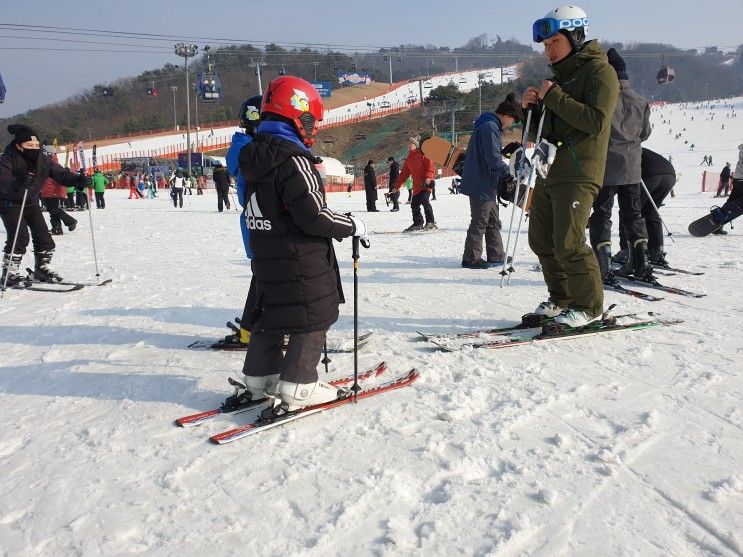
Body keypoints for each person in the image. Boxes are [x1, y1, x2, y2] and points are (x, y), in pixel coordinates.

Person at [236, 75, 364, 412]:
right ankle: (299, 384)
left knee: (272, 313)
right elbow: (314, 215)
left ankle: (259, 379)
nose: (314, 129)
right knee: (313, 312)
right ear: (296, 115)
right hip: (300, 257)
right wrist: (352, 225)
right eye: (311, 121)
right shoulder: (294, 160)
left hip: (266, 254)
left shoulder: (252, 157)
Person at [522, 5, 619, 327]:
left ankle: (589, 307)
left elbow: (596, 122)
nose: (548, 51)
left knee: (569, 241)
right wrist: (532, 110)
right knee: (541, 239)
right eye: (546, 45)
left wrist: (555, 97)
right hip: (552, 170)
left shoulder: (599, 72)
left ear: (575, 36)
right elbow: (549, 131)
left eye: (554, 43)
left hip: (580, 169)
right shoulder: (560, 79)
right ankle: (561, 298)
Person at [588, 47, 653, 284]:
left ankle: (602, 266)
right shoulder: (641, 100)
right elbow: (644, 133)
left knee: (601, 215)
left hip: (606, 167)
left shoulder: (605, 98)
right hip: (633, 167)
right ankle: (641, 263)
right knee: (633, 215)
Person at [0, 124, 88, 287]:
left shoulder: (43, 159)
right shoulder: (7, 159)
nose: (34, 149)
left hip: (31, 202)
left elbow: (61, 175)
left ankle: (41, 268)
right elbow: (3, 182)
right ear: (19, 146)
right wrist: (18, 182)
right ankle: (10, 273)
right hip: (9, 202)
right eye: (29, 146)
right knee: (20, 237)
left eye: (36, 145)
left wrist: (77, 180)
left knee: (44, 237)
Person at [459, 92, 521, 269]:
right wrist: (507, 173)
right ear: (507, 116)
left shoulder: (488, 125)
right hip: (481, 182)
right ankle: (471, 258)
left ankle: (496, 255)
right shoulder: (489, 127)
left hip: (488, 182)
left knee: (493, 221)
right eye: (512, 121)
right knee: (480, 221)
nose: (510, 125)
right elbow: (493, 159)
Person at [392, 137, 437, 232]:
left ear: (416, 145)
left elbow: (430, 166)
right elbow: (404, 174)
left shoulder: (423, 154)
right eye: (408, 143)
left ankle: (431, 222)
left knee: (425, 200)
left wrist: (428, 177)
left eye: (411, 143)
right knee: (414, 204)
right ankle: (418, 223)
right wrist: (396, 186)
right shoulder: (409, 159)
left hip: (426, 183)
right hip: (417, 186)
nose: (409, 145)